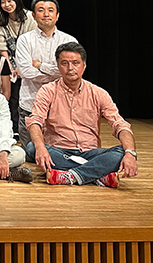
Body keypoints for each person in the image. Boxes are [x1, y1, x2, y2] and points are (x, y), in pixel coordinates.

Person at [27, 43, 138, 188]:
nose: (70, 68)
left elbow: (119, 124)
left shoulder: (98, 93)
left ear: (84, 66)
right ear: (58, 67)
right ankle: (98, 174)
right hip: (59, 151)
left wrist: (130, 153)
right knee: (32, 147)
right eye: (64, 63)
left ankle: (70, 176)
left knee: (122, 152)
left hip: (90, 152)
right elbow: (35, 121)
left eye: (75, 63)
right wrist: (41, 147)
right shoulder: (47, 91)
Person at [15, 0, 77, 148]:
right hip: (30, 105)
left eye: (50, 10)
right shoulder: (24, 40)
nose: (46, 14)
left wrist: (40, 65)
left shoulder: (69, 41)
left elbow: (71, 72)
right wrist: (57, 72)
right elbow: (25, 72)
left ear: (57, 15)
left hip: (61, 107)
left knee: (61, 152)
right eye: (41, 10)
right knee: (31, 152)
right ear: (33, 15)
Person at [0, 0, 37, 135]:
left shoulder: (29, 17)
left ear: (16, 0)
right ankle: (12, 128)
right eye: (3, 2)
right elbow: (1, 46)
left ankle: (28, 127)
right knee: (11, 93)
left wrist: (21, 66)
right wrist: (10, 66)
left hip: (28, 59)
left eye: (9, 1)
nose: (7, 5)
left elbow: (33, 43)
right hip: (7, 60)